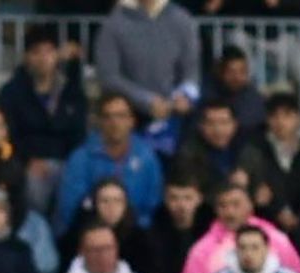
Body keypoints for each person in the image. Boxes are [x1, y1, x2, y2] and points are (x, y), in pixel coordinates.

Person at [0, 24, 88, 217]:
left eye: (49, 52)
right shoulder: (11, 93)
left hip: (66, 161)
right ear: (26, 57)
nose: (43, 58)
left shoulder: (71, 91)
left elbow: (78, 133)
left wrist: (72, 163)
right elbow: (8, 134)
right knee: (33, 187)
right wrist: (28, 160)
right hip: (29, 163)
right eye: (36, 52)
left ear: (57, 55)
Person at [56, 93, 163, 237]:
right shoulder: (81, 158)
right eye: (108, 116)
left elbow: (153, 206)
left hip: (135, 236)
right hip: (91, 236)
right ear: (99, 121)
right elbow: (70, 208)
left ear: (132, 121)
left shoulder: (147, 157)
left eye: (121, 116)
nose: (115, 123)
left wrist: (131, 231)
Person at [94, 0, 200, 144]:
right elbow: (108, 77)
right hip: (131, 117)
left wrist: (185, 95)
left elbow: (192, 71)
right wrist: (146, 101)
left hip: (176, 117)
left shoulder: (182, 19)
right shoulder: (113, 24)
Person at [236, 92, 300, 236]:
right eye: (274, 116)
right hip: (265, 224)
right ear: (267, 119)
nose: (280, 122)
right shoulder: (255, 151)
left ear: (298, 118)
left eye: (287, 115)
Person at [146, 172, 211, 273]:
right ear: (165, 199)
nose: (181, 205)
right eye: (174, 198)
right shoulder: (153, 235)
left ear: (199, 198)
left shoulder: (211, 233)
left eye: (188, 198)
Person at [170, 100, 244, 200]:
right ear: (201, 126)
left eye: (224, 122)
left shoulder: (244, 147)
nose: (218, 129)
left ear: (235, 125)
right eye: (210, 123)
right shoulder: (188, 155)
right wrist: (233, 186)